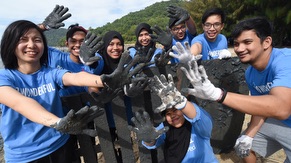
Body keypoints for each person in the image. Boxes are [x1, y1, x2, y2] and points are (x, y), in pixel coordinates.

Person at [0, 19, 143, 163]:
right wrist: (59, 123)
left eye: (37, 40)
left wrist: (103, 80)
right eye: (23, 40)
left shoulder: (51, 73)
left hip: (60, 145)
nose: (31, 45)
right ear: (10, 44)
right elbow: (20, 103)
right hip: (25, 156)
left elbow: (75, 77)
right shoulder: (4, 77)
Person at [178, 17, 291, 163]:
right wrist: (249, 135)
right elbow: (261, 108)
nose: (239, 49)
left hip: (284, 118)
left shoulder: (285, 60)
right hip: (278, 123)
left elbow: (281, 108)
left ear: (266, 42)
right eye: (236, 44)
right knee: (242, 148)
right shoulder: (250, 73)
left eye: (247, 42)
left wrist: (217, 94)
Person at [129, 74, 218, 163]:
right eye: (168, 113)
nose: (172, 115)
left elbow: (197, 116)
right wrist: (148, 139)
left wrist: (182, 102)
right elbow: (153, 142)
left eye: (175, 110)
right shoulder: (165, 128)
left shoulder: (198, 127)